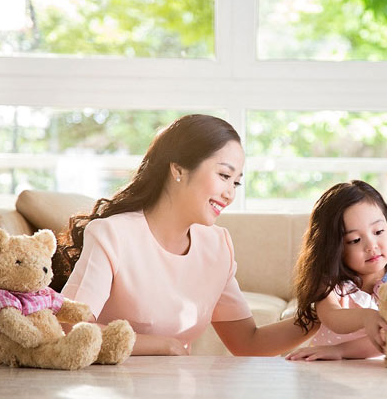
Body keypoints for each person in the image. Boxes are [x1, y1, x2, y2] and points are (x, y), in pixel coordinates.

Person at [58, 114, 317, 356]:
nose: (230, 194)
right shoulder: (113, 235)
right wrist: (163, 345)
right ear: (178, 170)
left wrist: (320, 314)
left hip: (179, 381)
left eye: (235, 182)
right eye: (224, 175)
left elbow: (247, 342)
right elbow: (72, 327)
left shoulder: (216, 245)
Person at [286, 180, 387, 361]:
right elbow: (332, 316)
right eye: (354, 240)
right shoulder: (330, 286)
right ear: (334, 248)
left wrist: (340, 351)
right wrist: (367, 317)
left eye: (378, 232)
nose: (371, 246)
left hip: (383, 375)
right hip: (328, 373)